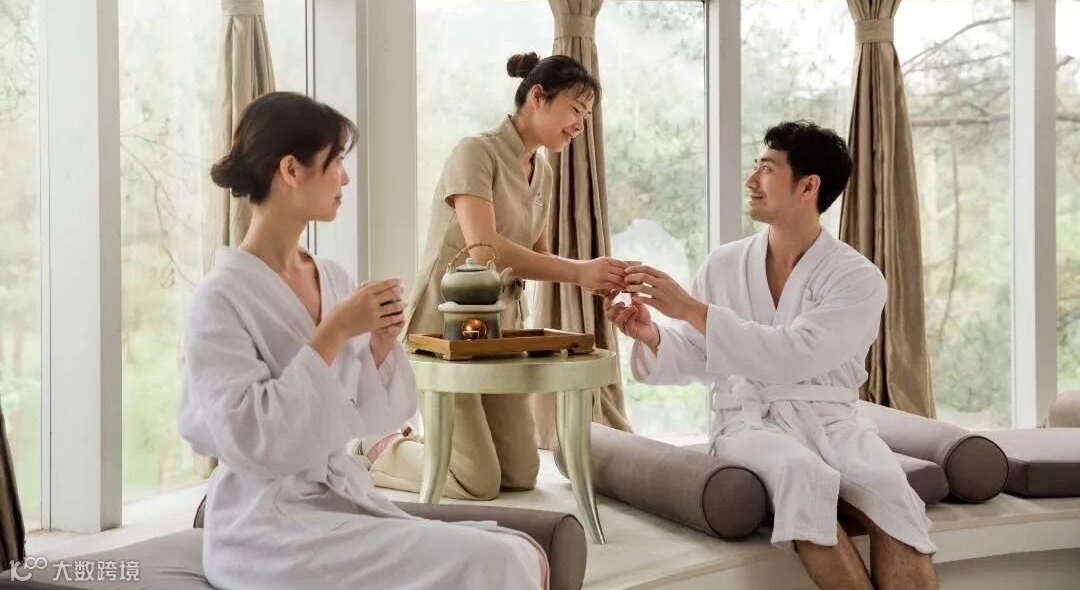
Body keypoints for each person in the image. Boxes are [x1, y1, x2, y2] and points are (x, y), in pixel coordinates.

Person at [179, 92, 546, 590]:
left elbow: (371, 417)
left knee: (521, 550)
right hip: (264, 525)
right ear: (291, 170)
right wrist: (334, 332)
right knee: (497, 560)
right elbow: (250, 438)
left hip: (338, 499)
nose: (345, 179)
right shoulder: (220, 297)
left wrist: (375, 350)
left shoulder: (331, 277)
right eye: (334, 162)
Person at [606, 121, 938, 590]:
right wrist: (654, 336)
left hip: (834, 423)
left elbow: (794, 355)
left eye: (766, 169)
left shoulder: (858, 278)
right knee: (801, 473)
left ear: (808, 186)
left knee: (893, 493)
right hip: (749, 423)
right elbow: (702, 352)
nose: (751, 180)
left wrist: (690, 308)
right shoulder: (724, 264)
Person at [368, 52, 629, 500]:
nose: (579, 126)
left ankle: (438, 450)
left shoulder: (543, 172)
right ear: (537, 97)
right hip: (445, 329)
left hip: (500, 332)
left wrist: (597, 280)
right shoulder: (476, 152)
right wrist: (579, 271)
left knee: (520, 474)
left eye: (586, 117)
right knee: (477, 481)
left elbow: (538, 256)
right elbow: (483, 250)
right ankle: (380, 448)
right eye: (575, 110)